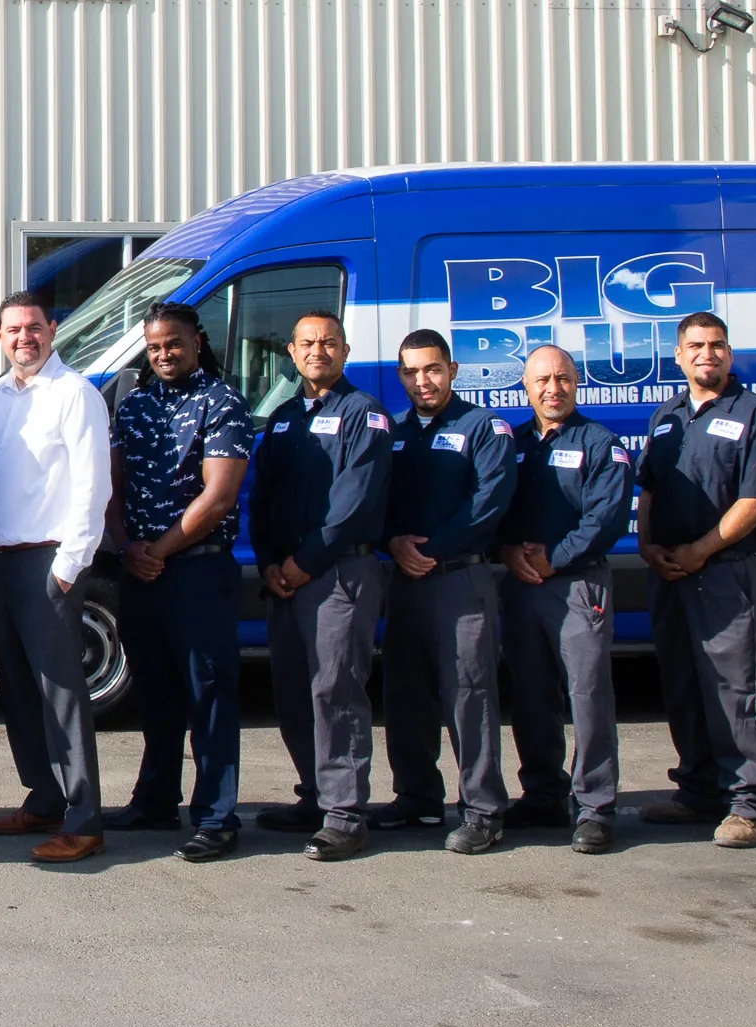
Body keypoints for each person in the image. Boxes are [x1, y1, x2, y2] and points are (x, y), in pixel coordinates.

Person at [0, 292, 114, 865]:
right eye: (13, 329)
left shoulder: (75, 394)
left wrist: (68, 567)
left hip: (48, 562)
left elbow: (93, 486)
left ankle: (84, 819)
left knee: (62, 694)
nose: (23, 338)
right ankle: (45, 797)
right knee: (18, 690)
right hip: (0, 561)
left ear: (52, 330)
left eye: (33, 327)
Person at [101, 302, 251, 863]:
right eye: (155, 346)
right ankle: (156, 799)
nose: (164, 354)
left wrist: (157, 551)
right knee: (155, 690)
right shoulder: (134, 405)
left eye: (174, 344)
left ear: (196, 342)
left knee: (208, 692)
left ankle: (216, 816)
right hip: (141, 568)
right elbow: (112, 485)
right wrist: (126, 546)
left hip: (197, 569)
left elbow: (219, 496)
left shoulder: (222, 401)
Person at [634, 311, 756, 847]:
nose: (707, 354)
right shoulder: (667, 416)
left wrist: (701, 550)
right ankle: (698, 791)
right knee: (682, 684)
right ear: (678, 356)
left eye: (717, 345)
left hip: (727, 573)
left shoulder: (755, 414)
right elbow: (650, 490)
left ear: (729, 353)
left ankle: (751, 802)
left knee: (737, 689)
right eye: (696, 346)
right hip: (671, 574)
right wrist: (647, 546)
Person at [245, 311, 392, 860]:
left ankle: (346, 813)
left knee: (336, 693)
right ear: (291, 351)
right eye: (307, 342)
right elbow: (262, 499)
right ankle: (314, 796)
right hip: (285, 579)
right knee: (292, 691)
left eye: (329, 342)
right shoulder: (284, 418)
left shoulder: (365, 414)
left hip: (337, 575)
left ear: (345, 351)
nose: (317, 351)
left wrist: (303, 562)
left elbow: (353, 501)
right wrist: (268, 563)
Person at [376, 330, 517, 854]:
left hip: (459, 579)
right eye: (411, 372)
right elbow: (375, 501)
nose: (423, 381)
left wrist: (429, 550)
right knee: (404, 693)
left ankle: (483, 810)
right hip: (405, 582)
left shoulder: (484, 427)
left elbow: (488, 504)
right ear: (400, 376)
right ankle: (416, 796)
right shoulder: (394, 432)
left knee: (469, 695)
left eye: (432, 369)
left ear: (452, 370)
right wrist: (392, 542)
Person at [496, 346, 631, 854]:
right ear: (525, 387)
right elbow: (492, 505)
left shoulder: (600, 444)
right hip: (521, 584)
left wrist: (556, 557)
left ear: (577, 382)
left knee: (588, 695)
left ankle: (595, 807)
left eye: (563, 378)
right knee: (531, 695)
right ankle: (543, 795)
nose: (553, 389)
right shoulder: (511, 444)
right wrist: (506, 551)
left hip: (577, 584)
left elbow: (606, 518)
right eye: (542, 380)